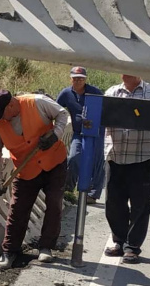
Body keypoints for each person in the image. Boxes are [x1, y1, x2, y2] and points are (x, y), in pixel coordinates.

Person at [0, 89, 70, 269]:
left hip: (54, 162)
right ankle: (9, 251)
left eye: (2, 114)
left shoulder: (37, 102)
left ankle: (46, 247)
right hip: (26, 170)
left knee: (54, 204)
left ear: (12, 104)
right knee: (17, 209)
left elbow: (62, 114)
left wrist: (55, 134)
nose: (0, 119)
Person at [102, 74, 150, 264]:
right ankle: (118, 240)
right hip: (115, 157)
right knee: (113, 204)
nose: (126, 72)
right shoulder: (112, 92)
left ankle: (132, 247)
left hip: (141, 158)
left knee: (140, 206)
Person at [56, 66, 106, 204]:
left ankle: (93, 194)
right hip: (78, 132)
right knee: (73, 157)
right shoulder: (66, 93)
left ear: (85, 79)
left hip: (96, 132)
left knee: (97, 162)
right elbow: (56, 109)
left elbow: (106, 110)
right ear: (70, 79)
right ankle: (68, 189)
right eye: (75, 78)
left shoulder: (95, 92)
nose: (78, 81)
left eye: (81, 79)